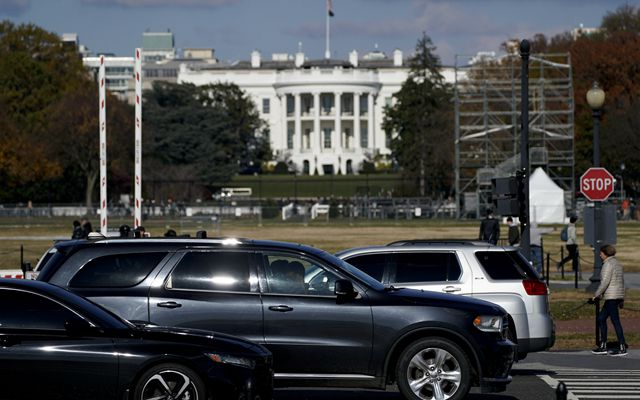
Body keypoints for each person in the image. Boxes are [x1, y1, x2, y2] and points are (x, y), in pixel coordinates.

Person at [591, 244, 627, 356]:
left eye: (601, 253)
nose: (600, 255)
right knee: (601, 318)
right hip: (616, 295)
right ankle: (603, 345)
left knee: (615, 321)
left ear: (605, 253)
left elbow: (605, 282)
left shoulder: (608, 264)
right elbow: (621, 282)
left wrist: (596, 294)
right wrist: (622, 298)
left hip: (611, 296)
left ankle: (622, 346)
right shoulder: (617, 263)